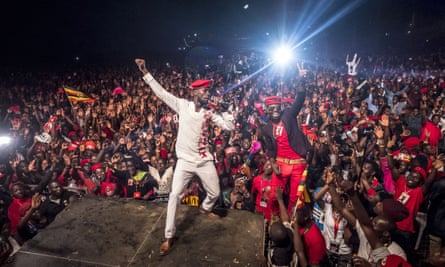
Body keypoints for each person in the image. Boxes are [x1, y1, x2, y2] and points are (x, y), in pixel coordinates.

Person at [135, 59, 236, 256]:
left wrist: (225, 111)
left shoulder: (210, 112)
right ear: (195, 93)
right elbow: (161, 93)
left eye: (208, 91)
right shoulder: (182, 105)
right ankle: (169, 236)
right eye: (205, 92)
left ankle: (205, 209)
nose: (208, 94)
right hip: (185, 162)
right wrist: (145, 71)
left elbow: (229, 127)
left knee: (214, 194)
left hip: (204, 160)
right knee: (174, 196)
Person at [259, 82, 311, 221]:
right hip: (281, 164)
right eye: (272, 108)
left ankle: (291, 225)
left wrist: (301, 80)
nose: (275, 110)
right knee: (274, 195)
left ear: (281, 108)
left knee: (295, 199)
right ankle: (275, 219)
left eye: (277, 107)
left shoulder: (288, 115)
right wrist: (272, 162)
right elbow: (269, 149)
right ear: (267, 111)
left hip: (298, 164)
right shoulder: (267, 128)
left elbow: (299, 100)